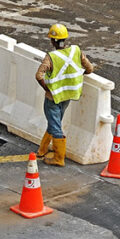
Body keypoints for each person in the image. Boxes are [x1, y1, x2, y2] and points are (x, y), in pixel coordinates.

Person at [35, 24, 94, 166]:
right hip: (68, 95)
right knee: (55, 122)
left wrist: (47, 89)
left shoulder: (51, 57)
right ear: (65, 39)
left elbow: (39, 75)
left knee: (55, 125)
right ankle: (42, 149)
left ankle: (59, 158)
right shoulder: (76, 51)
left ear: (52, 41)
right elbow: (89, 69)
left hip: (53, 97)